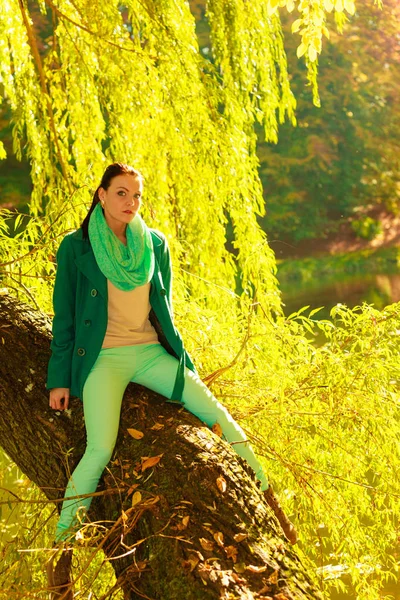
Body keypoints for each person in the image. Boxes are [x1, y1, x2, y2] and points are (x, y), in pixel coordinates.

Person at [45, 162, 297, 598]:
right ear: (101, 195)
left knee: (213, 411)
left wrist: (181, 359)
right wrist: (59, 381)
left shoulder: (154, 244)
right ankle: (62, 548)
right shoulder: (76, 247)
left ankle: (268, 496)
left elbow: (165, 310)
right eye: (122, 193)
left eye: (137, 196)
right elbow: (64, 319)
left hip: (149, 354)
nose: (131, 203)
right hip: (102, 359)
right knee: (100, 446)